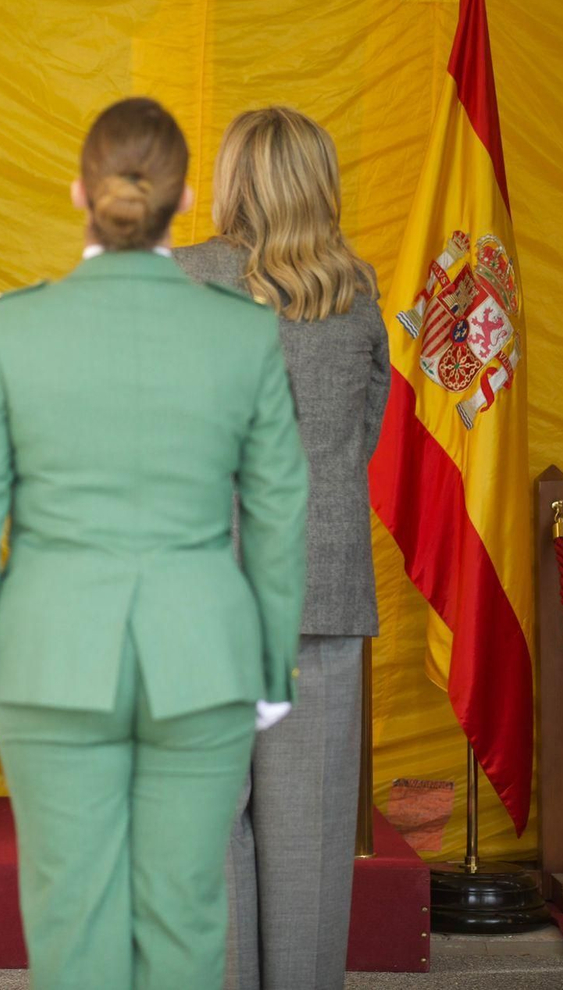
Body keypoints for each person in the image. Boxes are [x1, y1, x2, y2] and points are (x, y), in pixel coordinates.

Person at [0, 97, 309, 990]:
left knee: (74, 924)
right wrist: (268, 665)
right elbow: (278, 507)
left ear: (81, 194)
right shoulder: (242, 330)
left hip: (50, 660)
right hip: (204, 661)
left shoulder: (11, 327)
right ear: (184, 205)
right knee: (183, 922)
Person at [175, 106, 390, 990]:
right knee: (309, 842)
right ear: (318, 179)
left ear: (233, 180)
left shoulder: (183, 279)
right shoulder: (360, 290)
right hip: (321, 592)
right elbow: (363, 434)